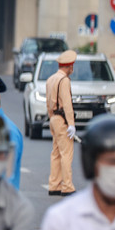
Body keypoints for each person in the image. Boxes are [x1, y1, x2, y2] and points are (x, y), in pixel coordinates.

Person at [46, 50, 78, 196]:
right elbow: (67, 104)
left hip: (53, 118)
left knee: (56, 153)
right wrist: (71, 123)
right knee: (66, 153)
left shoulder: (51, 79)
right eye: (72, 66)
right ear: (69, 66)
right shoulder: (64, 80)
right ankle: (67, 186)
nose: (73, 69)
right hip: (62, 119)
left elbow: (48, 103)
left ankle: (54, 185)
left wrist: (51, 117)